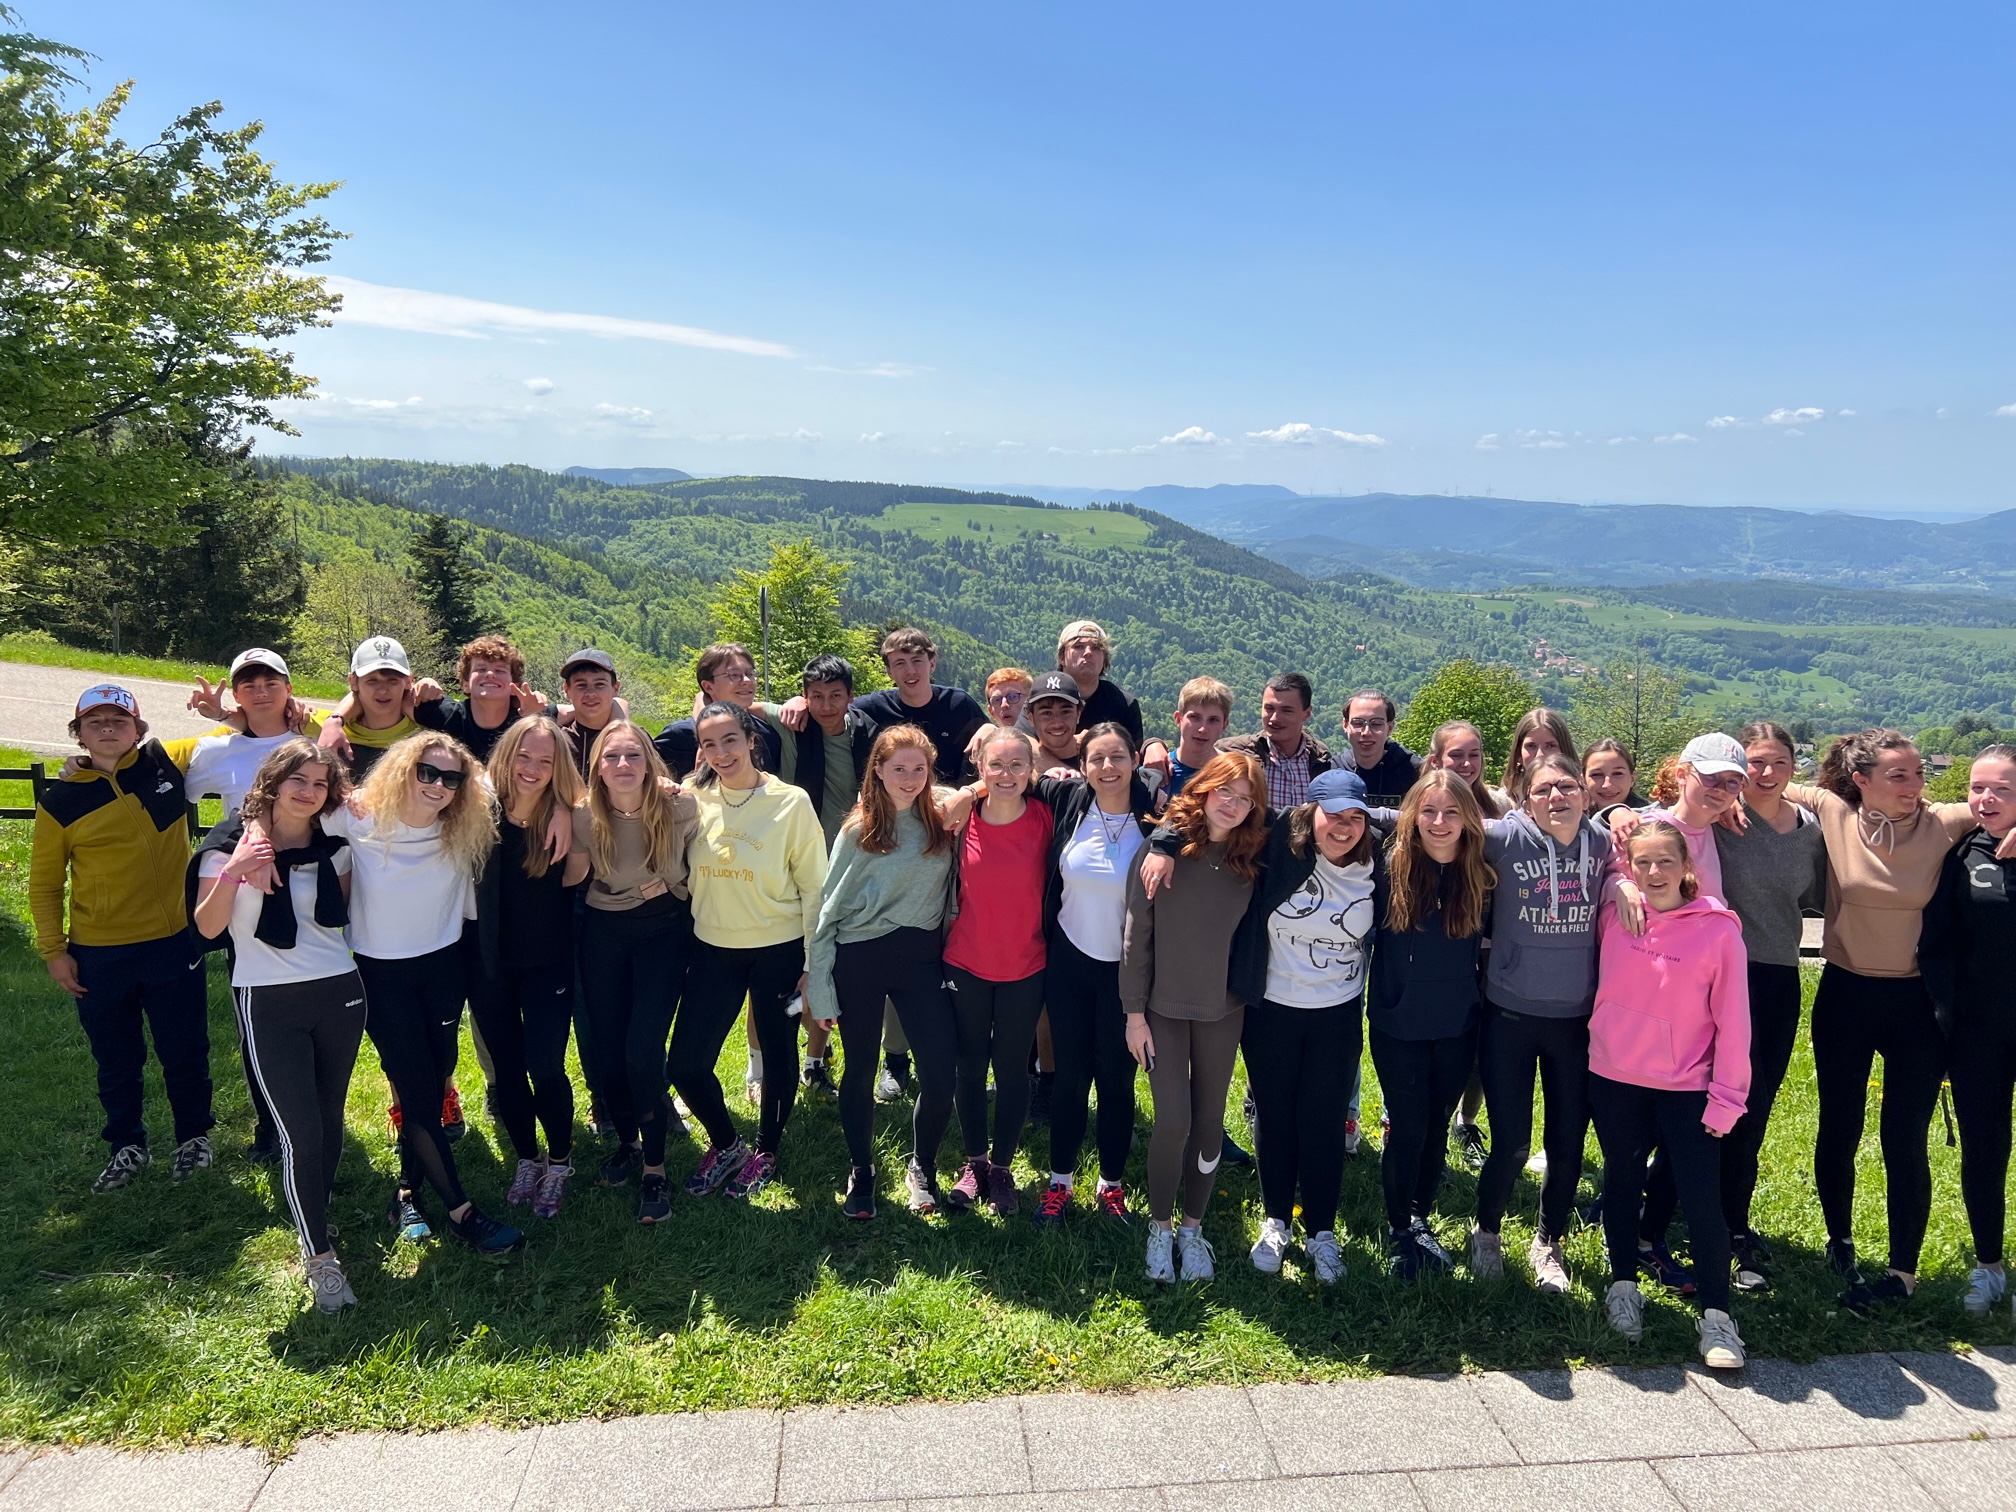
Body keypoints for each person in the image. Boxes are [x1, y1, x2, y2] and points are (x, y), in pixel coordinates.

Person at [1785, 728, 1986, 1312]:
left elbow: (2000, 800)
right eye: (1898, 776)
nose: (1915, 786)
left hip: (1916, 1005)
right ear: (1861, 782)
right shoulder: (1832, 811)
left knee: (1905, 1138)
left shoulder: (1944, 822)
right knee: (1839, 1125)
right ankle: (1839, 1239)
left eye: (1919, 773)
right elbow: (1761, 783)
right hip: (1846, 995)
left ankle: (1902, 1271)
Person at [309, 733, 523, 1254]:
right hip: (381, 976)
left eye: (451, 778)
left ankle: (407, 1190)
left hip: (445, 968)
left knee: (437, 1071)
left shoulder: (464, 820)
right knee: (417, 1090)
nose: (438, 785)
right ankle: (461, 1210)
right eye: (426, 772)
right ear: (404, 768)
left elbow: (532, 780)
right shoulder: (355, 817)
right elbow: (287, 809)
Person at [1638, 722, 1823, 1292]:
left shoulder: (1795, 827)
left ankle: (1725, 1223)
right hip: (1693, 985)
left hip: (1766, 978)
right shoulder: (1686, 826)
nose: (1759, 776)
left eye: (1734, 779)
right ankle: (1653, 1224)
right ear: (1686, 772)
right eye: (1752, 765)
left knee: (1748, 1103)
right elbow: (1636, 828)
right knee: (1693, 1106)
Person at [189, 740, 364, 1311]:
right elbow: (210, 928)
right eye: (298, 779)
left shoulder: (332, 850)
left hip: (338, 993)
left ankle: (316, 1206)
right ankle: (320, 1256)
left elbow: (340, 921)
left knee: (328, 1118)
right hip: (267, 999)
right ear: (274, 780)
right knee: (299, 1131)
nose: (308, 791)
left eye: (320, 784)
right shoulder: (227, 844)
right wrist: (236, 873)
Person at [31, 684, 215, 1193]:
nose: (108, 728)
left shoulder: (166, 765)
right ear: (79, 733)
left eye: (119, 719)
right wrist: (54, 951)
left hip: (174, 941)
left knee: (185, 1049)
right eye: (95, 722)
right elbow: (45, 884)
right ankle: (127, 1146)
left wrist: (222, 709)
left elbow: (241, 731)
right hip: (98, 953)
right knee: (116, 1057)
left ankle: (193, 1139)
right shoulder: (61, 800)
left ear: (139, 728)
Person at [1590, 819, 1750, 1371]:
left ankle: (1717, 1317)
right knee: (1622, 1179)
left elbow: (1734, 1022)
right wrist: (1618, 880)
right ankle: (1622, 1287)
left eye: (1666, 861)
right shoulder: (1613, 912)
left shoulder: (1718, 929)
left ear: (1688, 866)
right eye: (1642, 863)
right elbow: (1601, 846)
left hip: (1686, 1085)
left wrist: (1728, 1098)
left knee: (1701, 1198)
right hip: (1613, 1076)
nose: (1654, 872)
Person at [668, 702, 828, 1202]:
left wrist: (812, 963)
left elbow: (815, 887)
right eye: (709, 743)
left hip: (777, 949)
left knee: (779, 1059)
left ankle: (766, 1150)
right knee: (685, 1066)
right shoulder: (691, 798)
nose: (721, 752)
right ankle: (728, 1144)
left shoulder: (790, 801)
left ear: (751, 739)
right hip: (713, 946)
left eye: (730, 740)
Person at [1468, 752, 1610, 1292]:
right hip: (1509, 1013)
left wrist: (1618, 878)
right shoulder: (1505, 838)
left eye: (1567, 786)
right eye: (1545, 789)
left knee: (1569, 1143)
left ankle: (1548, 1242)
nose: (1558, 797)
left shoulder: (1604, 845)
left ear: (1585, 792)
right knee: (1511, 1143)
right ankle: (1486, 1232)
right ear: (1526, 799)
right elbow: (1440, 818)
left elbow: (1665, 828)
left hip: (1576, 1020)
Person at [806, 725, 960, 1218]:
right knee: (859, 1070)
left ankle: (923, 1165)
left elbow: (981, 790)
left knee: (940, 1075)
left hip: (920, 958)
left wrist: (967, 790)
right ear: (877, 769)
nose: (910, 779)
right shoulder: (859, 830)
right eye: (899, 769)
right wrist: (821, 987)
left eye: (920, 769)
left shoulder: (941, 818)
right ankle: (862, 1170)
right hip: (861, 956)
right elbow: (827, 914)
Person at [1124, 751, 1266, 1283]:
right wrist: (1133, 1015)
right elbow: (1136, 937)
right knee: (1174, 1121)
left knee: (1209, 1122)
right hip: (1161, 1009)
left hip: (1221, 1009)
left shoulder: (1254, 858)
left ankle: (1192, 1226)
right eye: (1223, 792)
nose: (1231, 804)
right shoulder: (1162, 851)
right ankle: (1159, 1227)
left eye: (1244, 797)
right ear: (1203, 790)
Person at [1236, 771, 1377, 1285]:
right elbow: (1205, 817)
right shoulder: (1279, 845)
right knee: (1275, 1114)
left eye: (1355, 817)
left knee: (1323, 1120)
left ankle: (1321, 1231)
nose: (1343, 827)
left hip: (1337, 1012)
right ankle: (1276, 1220)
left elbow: (1416, 821)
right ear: (1308, 813)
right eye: (1332, 815)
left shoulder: (1378, 859)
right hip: (1270, 1007)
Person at [1025, 722, 1161, 1226]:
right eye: (1097, 759)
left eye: (1117, 757)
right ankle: (1059, 1182)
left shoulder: (1157, 818)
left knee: (1117, 1081)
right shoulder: (1068, 803)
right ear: (1083, 766)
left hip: (1127, 974)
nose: (1107, 768)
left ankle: (1111, 1184)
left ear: (1134, 761)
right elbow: (1009, 778)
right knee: (1069, 1077)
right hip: (1070, 962)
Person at [572, 721, 699, 1223]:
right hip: (603, 934)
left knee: (642, 1049)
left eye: (632, 756)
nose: (622, 766)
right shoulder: (584, 816)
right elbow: (576, 877)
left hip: (662, 934)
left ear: (650, 762)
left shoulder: (680, 806)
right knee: (608, 1051)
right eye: (611, 757)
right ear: (597, 768)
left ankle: (655, 1165)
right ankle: (627, 1140)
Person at [1367, 769, 1491, 1281]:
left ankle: (1419, 1214)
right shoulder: (1386, 867)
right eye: (1429, 811)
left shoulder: (1483, 872)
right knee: (1408, 1123)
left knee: (1438, 1121)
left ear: (1468, 820)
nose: (1439, 823)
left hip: (1457, 1020)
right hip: (1398, 1019)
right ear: (1411, 815)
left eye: (1451, 812)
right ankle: (1399, 1228)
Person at [471, 717, 591, 1219]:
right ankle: (527, 1157)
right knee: (508, 1073)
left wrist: (567, 808)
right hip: (488, 963)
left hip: (549, 963)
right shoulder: (476, 809)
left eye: (546, 761)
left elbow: (582, 869)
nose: (533, 769)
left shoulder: (566, 815)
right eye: (524, 757)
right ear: (506, 756)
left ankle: (559, 1162)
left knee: (544, 1066)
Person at [939, 726, 1055, 1214]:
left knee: (1011, 1069)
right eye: (996, 765)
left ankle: (1003, 1168)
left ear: (1032, 771)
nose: (1006, 774)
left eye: (1016, 765)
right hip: (966, 961)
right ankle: (975, 1163)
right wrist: (966, 793)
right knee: (969, 1066)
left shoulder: (1047, 818)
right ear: (980, 768)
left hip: (1025, 964)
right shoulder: (960, 818)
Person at [1921, 746, 2016, 1317]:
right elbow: (1939, 944)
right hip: (1981, 1031)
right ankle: (1989, 1267)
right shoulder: (1961, 854)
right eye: (1978, 788)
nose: (1985, 798)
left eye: (2001, 789)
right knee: (1985, 1149)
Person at [833, 627, 986, 785]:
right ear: (889, 671)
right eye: (900, 663)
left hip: (951, 802)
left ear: (932, 664)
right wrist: (805, 703)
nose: (910, 671)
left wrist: (990, 728)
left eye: (917, 661)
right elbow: (831, 710)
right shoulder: (873, 708)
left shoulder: (959, 704)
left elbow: (997, 748)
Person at [411, 634, 548, 763]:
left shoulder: (526, 717)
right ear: (465, 684)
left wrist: (537, 714)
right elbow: (398, 700)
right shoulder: (446, 715)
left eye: (500, 670)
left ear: (515, 686)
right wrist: (423, 684)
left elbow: (568, 710)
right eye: (481, 669)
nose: (490, 674)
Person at [656, 642, 782, 779]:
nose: (746, 680)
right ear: (708, 687)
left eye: (750, 673)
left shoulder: (768, 735)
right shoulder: (680, 735)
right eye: (734, 675)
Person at [1218, 672, 1333, 809]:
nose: (1274, 718)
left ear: (1307, 714)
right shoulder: (1232, 753)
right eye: (1269, 709)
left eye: (1286, 710)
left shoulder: (1320, 759)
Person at [317, 636, 423, 779]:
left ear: (409, 681)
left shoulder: (427, 731)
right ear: (353, 681)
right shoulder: (328, 728)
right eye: (372, 681)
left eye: (393, 681)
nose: (383, 690)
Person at [1340, 690, 1421, 807]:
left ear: (1390, 727)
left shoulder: (1415, 772)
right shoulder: (1333, 770)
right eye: (1358, 723)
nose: (1366, 732)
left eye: (1376, 724)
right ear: (1346, 725)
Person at [556, 649, 627, 781]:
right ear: (567, 690)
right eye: (581, 685)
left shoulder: (635, 740)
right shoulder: (558, 743)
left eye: (599, 684)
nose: (590, 693)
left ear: (615, 688)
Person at [1425, 720, 1508, 819]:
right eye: (1456, 755)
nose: (1467, 763)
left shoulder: (1499, 805)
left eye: (1474, 755)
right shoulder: (1419, 804)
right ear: (1434, 761)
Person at [1168, 676, 1234, 797]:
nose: (1203, 729)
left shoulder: (1233, 776)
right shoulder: (1160, 774)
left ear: (1224, 725)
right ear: (1178, 719)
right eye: (1195, 717)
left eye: (1213, 720)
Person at [1500, 708, 1577, 806]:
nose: (1540, 755)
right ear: (1518, 755)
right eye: (1531, 746)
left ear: (1565, 750)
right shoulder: (1500, 806)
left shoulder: (1585, 799)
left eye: (1550, 746)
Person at [1026, 672, 1087, 773]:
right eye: (1046, 713)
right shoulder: (1022, 770)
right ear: (1030, 717)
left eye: (1065, 712)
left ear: (1078, 714)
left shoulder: (1098, 761)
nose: (1057, 723)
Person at [1583, 738, 1646, 818]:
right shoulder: (1574, 820)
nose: (1607, 785)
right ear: (1583, 779)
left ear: (1632, 779)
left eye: (1617, 774)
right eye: (1597, 774)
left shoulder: (1651, 821)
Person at [984, 666, 1034, 731]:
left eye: (1013, 697)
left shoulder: (1048, 738)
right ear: (991, 712)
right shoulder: (986, 740)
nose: (1004, 705)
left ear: (1030, 703)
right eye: (997, 700)